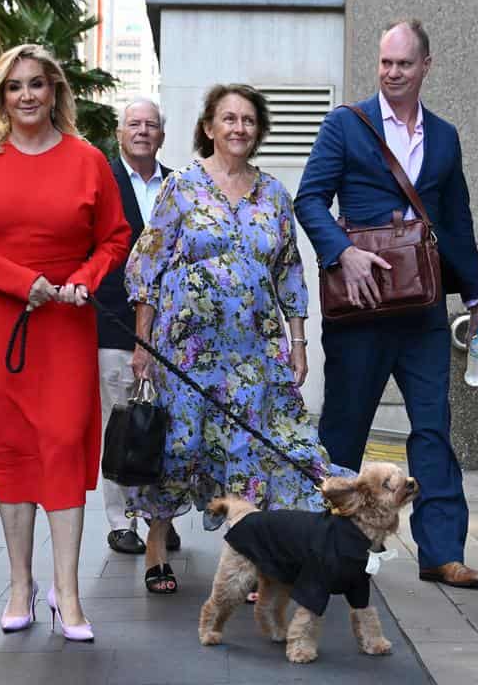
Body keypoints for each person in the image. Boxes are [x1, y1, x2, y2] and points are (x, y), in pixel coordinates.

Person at [293, 19, 478, 589]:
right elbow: (310, 199)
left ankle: (441, 553)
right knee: (343, 431)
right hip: (360, 307)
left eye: (403, 64)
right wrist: (341, 252)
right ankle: (323, 546)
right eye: (385, 63)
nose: (392, 73)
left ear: (425, 66)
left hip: (424, 310)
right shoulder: (345, 125)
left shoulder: (446, 137)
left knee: (433, 430)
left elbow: (456, 220)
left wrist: (475, 299)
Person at [0, 43, 130, 641]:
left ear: (55, 93)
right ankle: (20, 585)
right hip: (3, 325)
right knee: (14, 451)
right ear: (1, 95)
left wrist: (79, 281)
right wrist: (26, 283)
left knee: (66, 447)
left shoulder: (88, 160)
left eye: (38, 85)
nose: (27, 95)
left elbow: (114, 237)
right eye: (16, 85)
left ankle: (67, 594)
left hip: (66, 327)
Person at [126, 84, 337, 596]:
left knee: (248, 452)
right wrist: (143, 343)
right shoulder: (183, 188)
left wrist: (300, 342)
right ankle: (156, 543)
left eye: (248, 120)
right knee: (179, 447)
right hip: (185, 348)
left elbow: (289, 272)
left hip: (254, 352)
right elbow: (147, 263)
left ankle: (250, 561)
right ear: (209, 128)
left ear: (258, 131)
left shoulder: (274, 195)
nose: (239, 128)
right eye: (229, 118)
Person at [95, 97, 179, 556]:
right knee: (122, 423)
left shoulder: (178, 186)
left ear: (162, 135)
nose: (143, 131)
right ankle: (122, 520)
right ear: (120, 132)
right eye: (134, 124)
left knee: (165, 423)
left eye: (151, 125)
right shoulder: (100, 180)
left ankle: (159, 520)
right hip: (114, 324)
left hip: (172, 334)